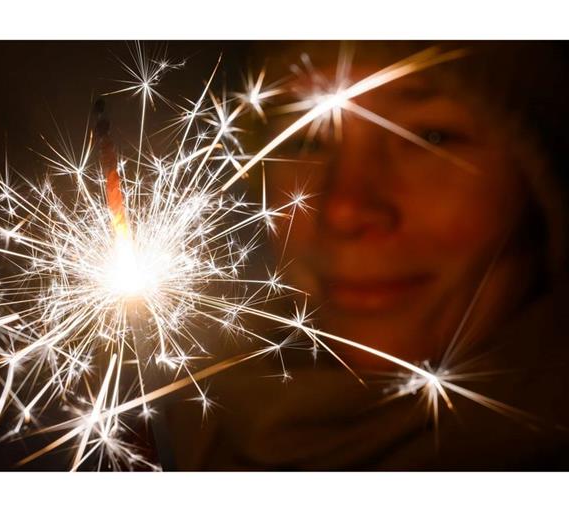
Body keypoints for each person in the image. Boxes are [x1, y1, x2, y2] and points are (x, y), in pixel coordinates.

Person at [165, 41, 569, 470]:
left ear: (543, 184)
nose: (344, 209)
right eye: (305, 139)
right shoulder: (188, 428)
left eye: (428, 136)